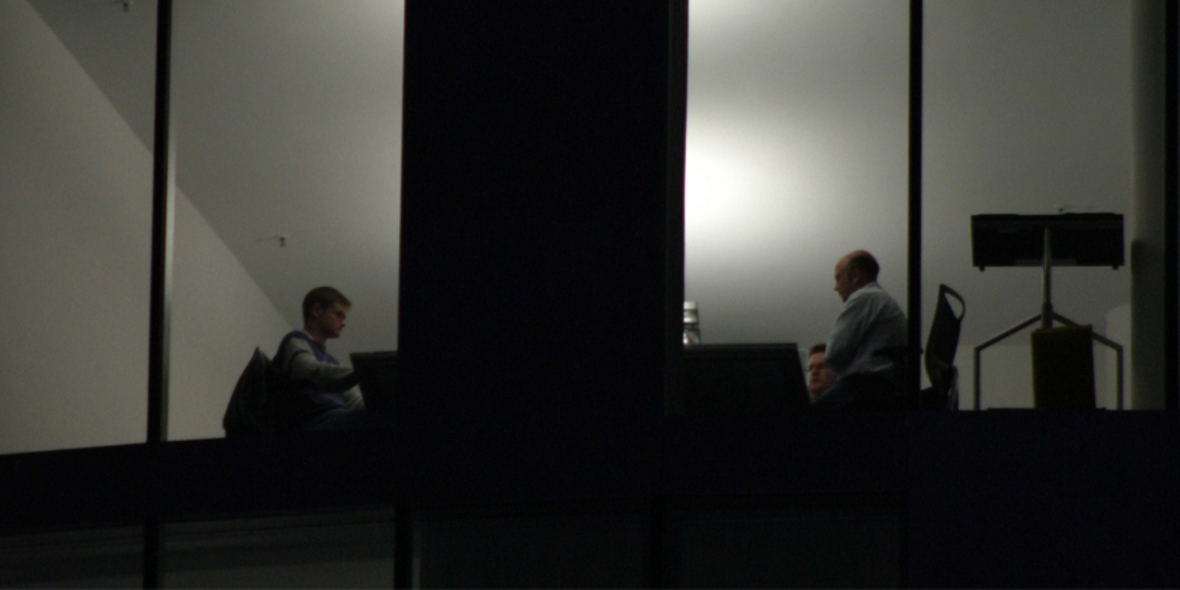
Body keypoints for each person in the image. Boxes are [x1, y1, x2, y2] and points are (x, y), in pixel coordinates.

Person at [813, 250, 907, 410]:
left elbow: (833, 355)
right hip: (885, 390)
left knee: (804, 418)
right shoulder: (882, 300)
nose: (836, 287)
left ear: (855, 275)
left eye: (838, 278)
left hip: (864, 390)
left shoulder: (864, 298)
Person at [274, 286, 367, 431]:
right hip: (311, 423)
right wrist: (364, 372)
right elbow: (311, 370)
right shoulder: (295, 341)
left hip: (334, 419)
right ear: (316, 310)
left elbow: (354, 402)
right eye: (339, 315)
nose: (343, 323)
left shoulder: (333, 362)